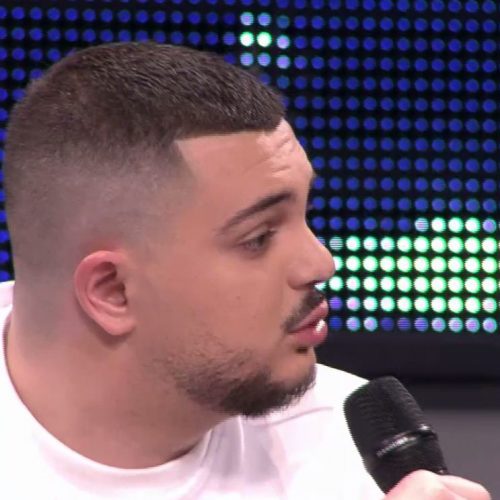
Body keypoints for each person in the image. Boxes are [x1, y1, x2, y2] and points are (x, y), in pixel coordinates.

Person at [0, 42, 489, 499]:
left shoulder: (345, 449)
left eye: (305, 213)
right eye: (258, 238)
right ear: (114, 291)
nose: (321, 263)